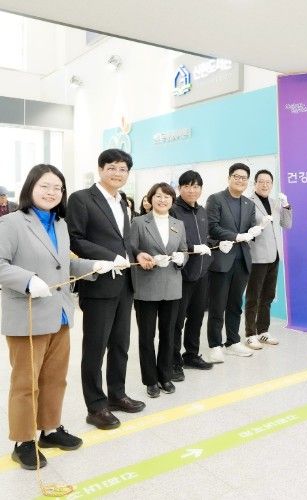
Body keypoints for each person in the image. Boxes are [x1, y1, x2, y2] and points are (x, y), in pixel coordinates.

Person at [0, 164, 114, 470]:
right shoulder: (11, 223)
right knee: (26, 383)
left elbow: (62, 265)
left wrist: (92, 266)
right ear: (30, 188)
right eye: (45, 186)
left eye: (57, 188)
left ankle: (49, 430)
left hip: (60, 313)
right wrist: (26, 280)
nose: (51, 193)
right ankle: (23, 441)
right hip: (27, 315)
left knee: (54, 379)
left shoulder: (60, 224)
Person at [67, 148, 145, 431]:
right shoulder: (81, 199)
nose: (117, 173)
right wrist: (109, 257)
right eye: (111, 167)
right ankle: (96, 406)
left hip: (124, 282)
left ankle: (117, 394)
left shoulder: (122, 201)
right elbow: (75, 238)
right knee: (95, 347)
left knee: (120, 344)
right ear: (101, 169)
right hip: (99, 284)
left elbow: (125, 241)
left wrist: (137, 254)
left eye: (123, 169)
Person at [130, 183, 188, 398]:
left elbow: (183, 249)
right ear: (150, 198)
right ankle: (150, 380)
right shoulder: (139, 222)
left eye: (167, 197)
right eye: (158, 196)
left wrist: (182, 258)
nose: (162, 200)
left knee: (168, 334)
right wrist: (144, 257)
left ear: (172, 201)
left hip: (172, 286)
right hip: (146, 286)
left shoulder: (178, 224)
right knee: (146, 336)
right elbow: (131, 249)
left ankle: (165, 376)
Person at [206, 163, 262, 362]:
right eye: (236, 176)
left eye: (244, 178)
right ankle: (215, 345)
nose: (240, 180)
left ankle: (232, 341)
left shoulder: (248, 204)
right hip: (222, 260)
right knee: (217, 305)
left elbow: (250, 229)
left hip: (242, 261)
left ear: (248, 181)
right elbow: (212, 227)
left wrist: (255, 231)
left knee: (236, 304)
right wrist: (236, 236)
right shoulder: (216, 199)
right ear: (229, 178)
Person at [170, 171, 214, 380]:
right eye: (187, 186)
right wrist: (192, 248)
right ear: (180, 188)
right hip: (180, 274)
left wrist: (213, 245)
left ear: (201, 189)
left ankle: (191, 355)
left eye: (196, 186)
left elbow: (206, 238)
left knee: (196, 317)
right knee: (177, 321)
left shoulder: (202, 211)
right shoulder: (173, 210)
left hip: (202, 273)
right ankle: (173, 360)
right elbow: (170, 243)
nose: (192, 190)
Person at [244, 169, 292, 349]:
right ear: (255, 183)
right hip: (257, 256)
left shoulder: (274, 202)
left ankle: (263, 331)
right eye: (261, 181)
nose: (265, 185)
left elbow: (287, 224)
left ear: (272, 184)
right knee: (253, 296)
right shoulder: (248, 203)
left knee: (268, 296)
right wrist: (259, 226)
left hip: (274, 255)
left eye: (268, 182)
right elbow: (245, 229)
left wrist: (286, 206)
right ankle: (250, 334)